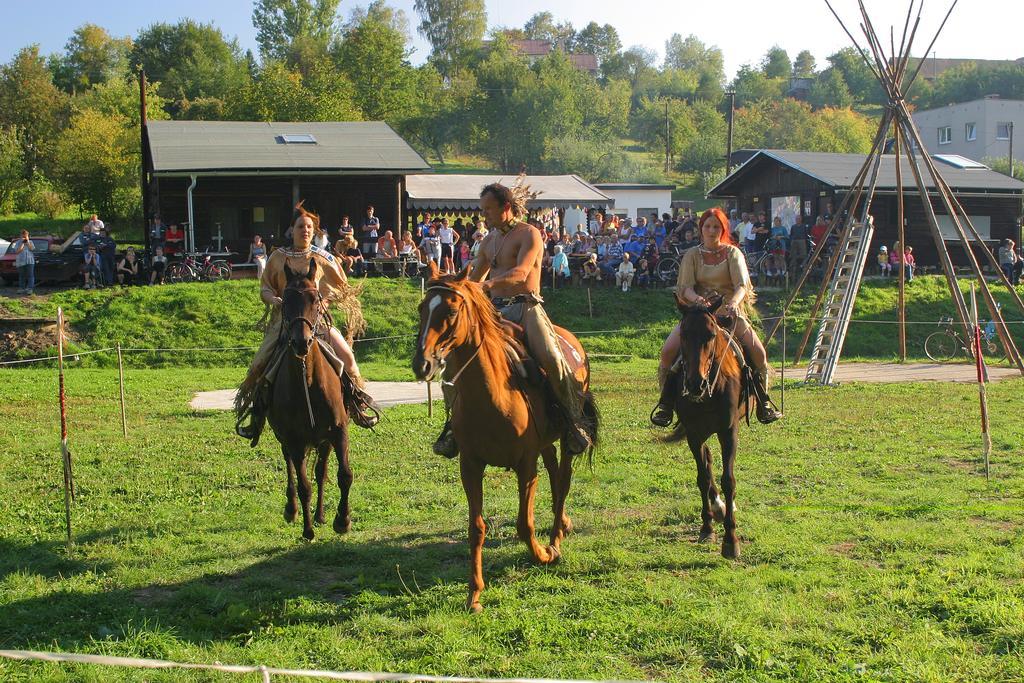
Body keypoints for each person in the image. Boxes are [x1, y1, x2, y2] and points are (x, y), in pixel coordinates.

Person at [432, 181, 594, 459]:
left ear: (506, 207)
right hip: (494, 311)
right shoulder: (489, 240)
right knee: (452, 366)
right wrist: (455, 287)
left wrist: (484, 286)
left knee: (552, 359)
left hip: (526, 307)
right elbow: (473, 277)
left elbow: (520, 273)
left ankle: (573, 422)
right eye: (482, 210)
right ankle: (452, 426)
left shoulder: (529, 234)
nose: (484, 216)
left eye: (488, 210)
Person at [235, 202, 379, 446]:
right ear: (292, 229)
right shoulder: (278, 257)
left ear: (315, 231)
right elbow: (265, 288)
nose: (305, 230)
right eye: (301, 226)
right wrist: (275, 300)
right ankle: (256, 418)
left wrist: (324, 300)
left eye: (310, 227)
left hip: (318, 321)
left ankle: (356, 406)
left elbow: (341, 289)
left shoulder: (324, 258)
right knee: (258, 365)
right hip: (285, 321)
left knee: (348, 357)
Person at [650, 208, 782, 427]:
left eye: (716, 227)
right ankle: (666, 403)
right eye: (707, 226)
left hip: (729, 314)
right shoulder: (692, 255)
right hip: (699, 317)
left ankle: (763, 401)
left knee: (758, 353)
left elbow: (742, 285)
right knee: (667, 352)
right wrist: (697, 300)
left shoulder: (733, 253)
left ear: (723, 229)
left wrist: (733, 302)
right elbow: (685, 288)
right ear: (701, 229)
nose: (711, 231)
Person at [12, 230, 35, 295]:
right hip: (20, 261)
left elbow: (32, 249)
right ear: (21, 235)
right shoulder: (17, 243)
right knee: (22, 276)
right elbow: (17, 251)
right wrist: (22, 243)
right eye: (23, 235)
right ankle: (22, 288)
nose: (24, 237)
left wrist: (27, 242)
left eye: (26, 235)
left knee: (30, 275)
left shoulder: (30, 242)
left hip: (30, 261)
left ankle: (30, 289)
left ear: (28, 236)